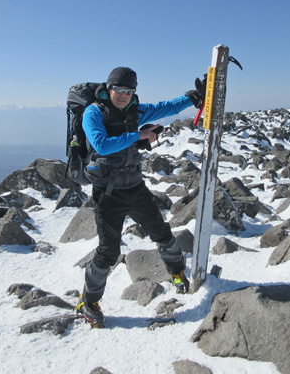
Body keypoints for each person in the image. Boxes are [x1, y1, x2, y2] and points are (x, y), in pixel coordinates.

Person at [75, 66, 204, 328]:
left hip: (135, 186)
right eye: (118, 89)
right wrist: (139, 135)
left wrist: (193, 99)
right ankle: (88, 301)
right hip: (108, 192)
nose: (123, 95)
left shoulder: (136, 109)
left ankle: (177, 273)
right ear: (108, 88)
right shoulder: (93, 112)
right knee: (108, 252)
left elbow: (166, 107)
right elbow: (101, 144)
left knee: (163, 234)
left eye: (128, 90)